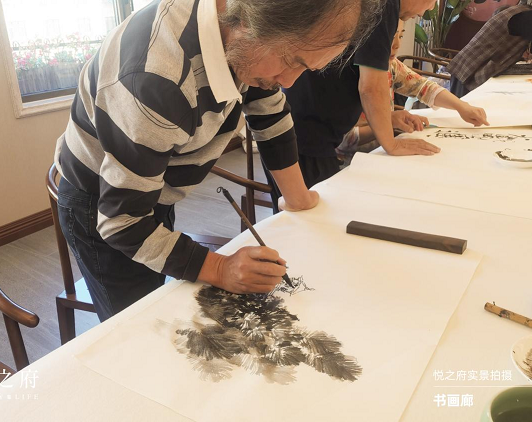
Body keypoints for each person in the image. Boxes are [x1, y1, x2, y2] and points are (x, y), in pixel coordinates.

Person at [53, 0, 381, 321]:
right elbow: (123, 222)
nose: (289, 82)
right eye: (290, 61)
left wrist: (298, 199)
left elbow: (270, 113)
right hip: (100, 202)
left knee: (159, 293)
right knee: (138, 325)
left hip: (149, 188)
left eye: (306, 68)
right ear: (249, 21)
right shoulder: (157, 78)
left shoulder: (247, 37)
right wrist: (221, 268)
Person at [263, 0, 443, 212]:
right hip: (306, 136)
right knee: (312, 220)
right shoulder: (384, 4)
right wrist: (392, 144)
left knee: (306, 217)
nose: (430, 9)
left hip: (297, 130)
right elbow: (371, 87)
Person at [337, 20, 489, 160]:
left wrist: (461, 106)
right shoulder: (343, 74)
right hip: (350, 161)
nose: (397, 44)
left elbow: (424, 87)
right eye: (390, 37)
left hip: (382, 152)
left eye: (400, 36)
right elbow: (342, 142)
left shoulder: (390, 65)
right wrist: (389, 122)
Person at [448, 2, 532, 97]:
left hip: (470, 67)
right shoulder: (526, 17)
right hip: (471, 71)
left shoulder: (521, 11)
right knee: (462, 104)